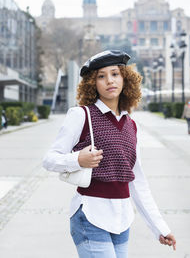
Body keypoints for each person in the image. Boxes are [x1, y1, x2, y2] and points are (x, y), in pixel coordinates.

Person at [43, 50, 176, 258]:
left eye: (115, 74)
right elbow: (49, 159)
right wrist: (77, 159)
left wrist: (160, 227)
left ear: (125, 79)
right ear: (92, 84)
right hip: (89, 215)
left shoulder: (131, 125)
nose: (109, 81)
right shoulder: (81, 115)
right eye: (101, 76)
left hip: (122, 220)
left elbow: (137, 181)